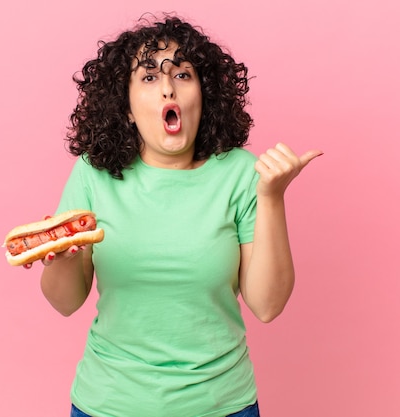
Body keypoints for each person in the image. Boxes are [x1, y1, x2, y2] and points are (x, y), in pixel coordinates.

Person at [32, 15, 322, 417]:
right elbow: (66, 302)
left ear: (203, 95)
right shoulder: (93, 173)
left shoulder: (240, 173)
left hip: (223, 405)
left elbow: (267, 305)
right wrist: (61, 259)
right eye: (149, 78)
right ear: (127, 108)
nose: (168, 86)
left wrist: (271, 197)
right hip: (109, 405)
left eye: (182, 74)